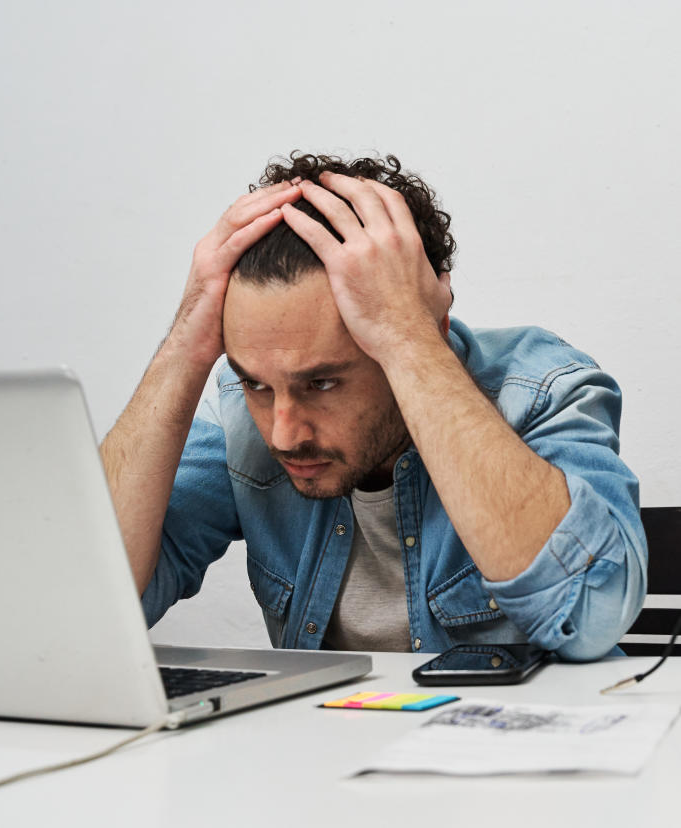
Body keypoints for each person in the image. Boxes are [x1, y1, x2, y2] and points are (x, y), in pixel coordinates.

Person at [100, 153, 647, 660]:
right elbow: (93, 610)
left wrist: (411, 340)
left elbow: (590, 616)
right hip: (325, 755)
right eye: (257, 385)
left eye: (322, 383)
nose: (284, 434)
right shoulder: (240, 421)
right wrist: (182, 355)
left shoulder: (541, 388)